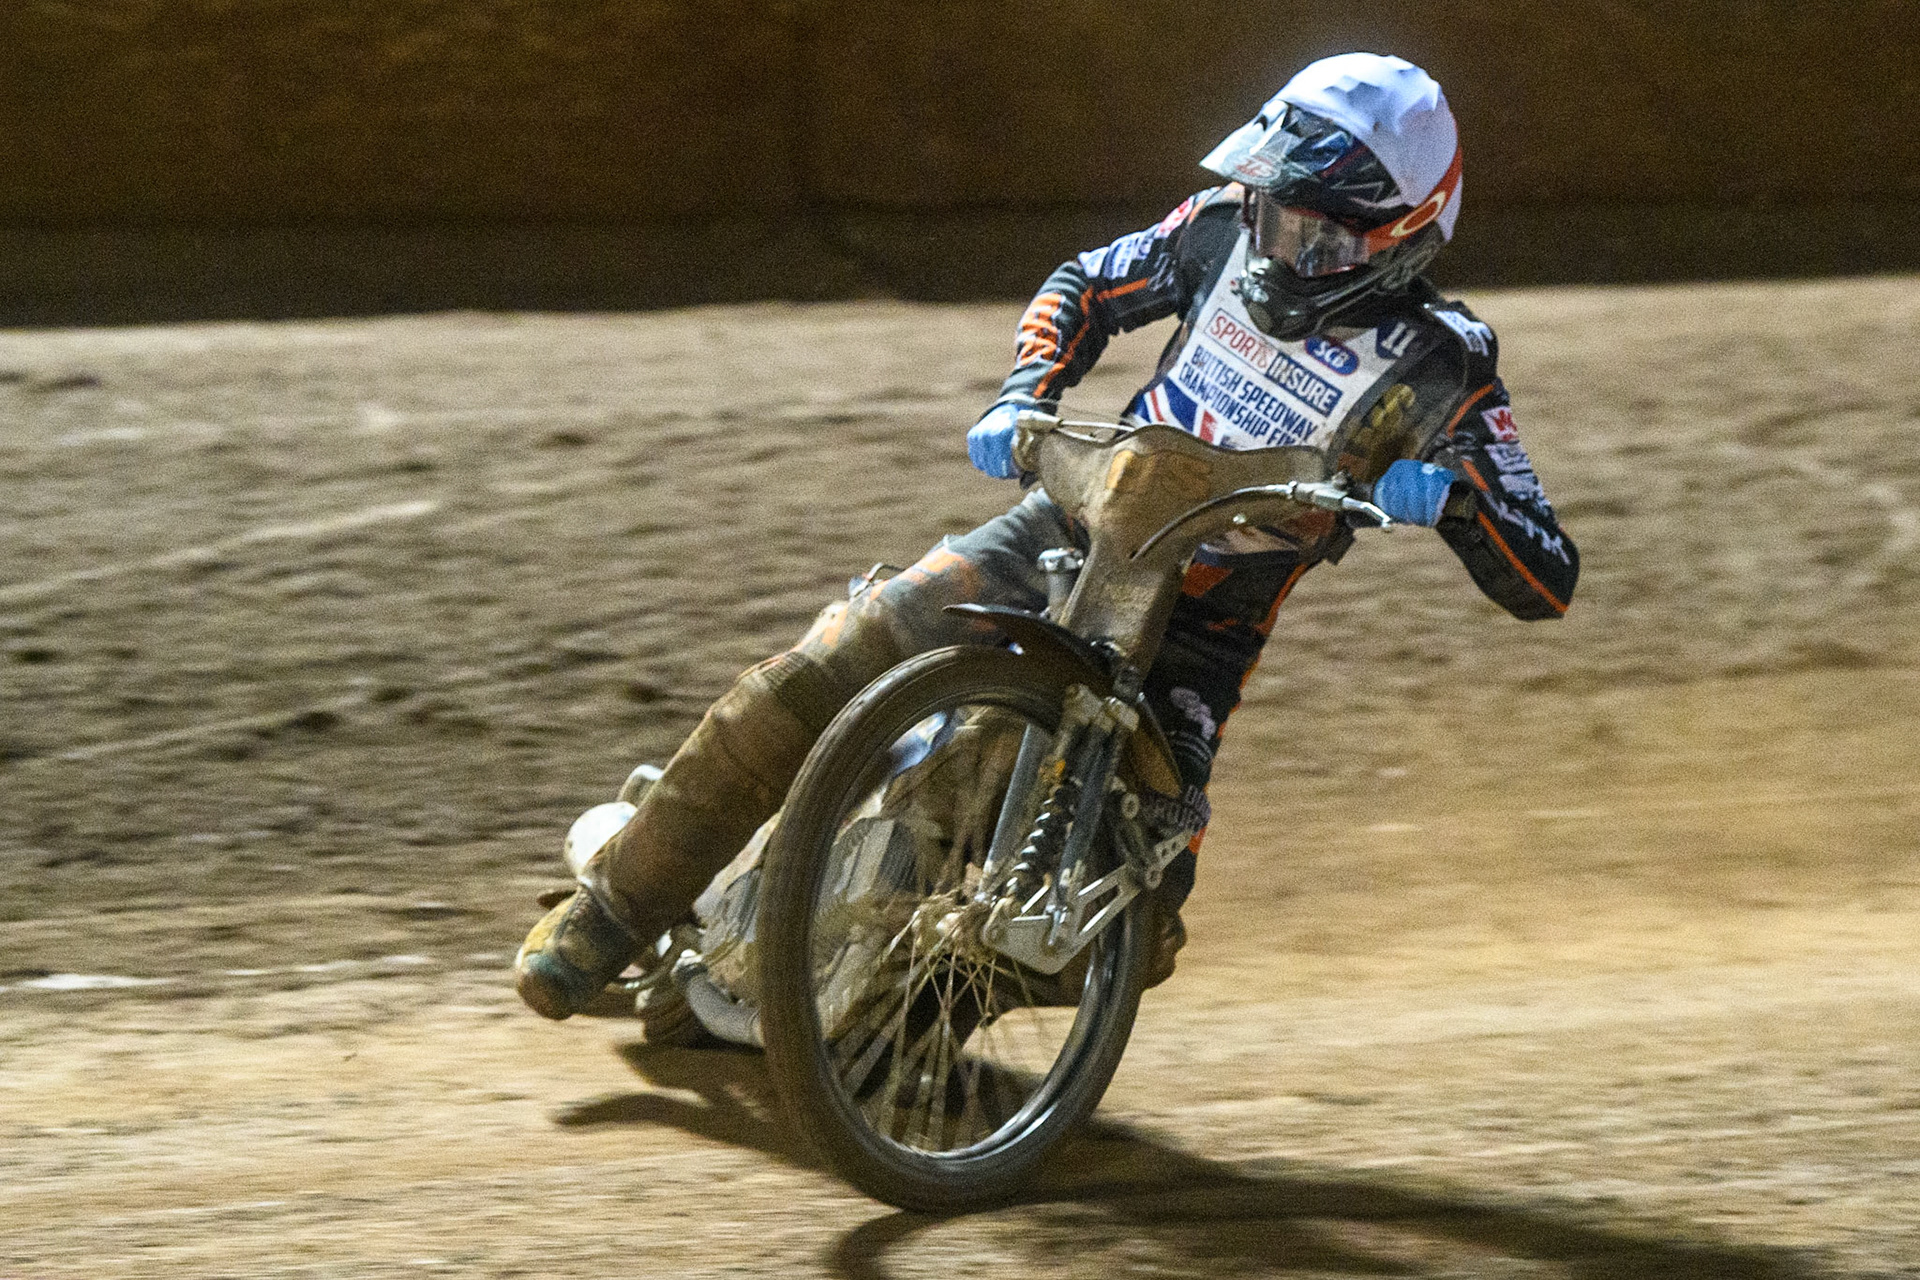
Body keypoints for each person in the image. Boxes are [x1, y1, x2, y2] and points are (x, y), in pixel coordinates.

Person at [514, 52, 1579, 1019]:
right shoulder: (1217, 229)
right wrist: (1027, 390)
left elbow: (1548, 571)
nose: (1283, 250)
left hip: (1198, 632)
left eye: (1322, 236)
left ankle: (897, 1029)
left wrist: (1458, 502)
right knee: (830, 662)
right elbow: (1086, 283)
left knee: (1137, 922)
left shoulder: (1442, 366)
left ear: (1405, 236)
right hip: (1065, 526)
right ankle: (609, 912)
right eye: (1274, 215)